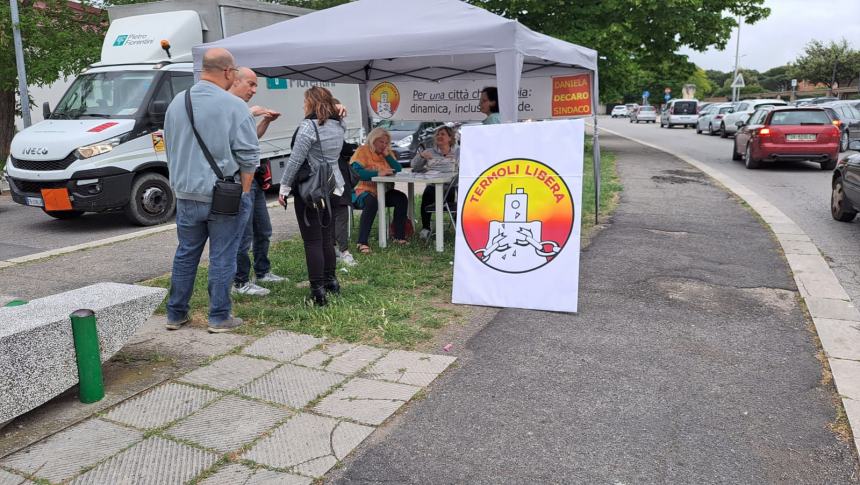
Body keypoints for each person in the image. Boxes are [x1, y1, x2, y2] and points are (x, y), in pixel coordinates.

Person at [163, 48, 259, 333]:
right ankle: (219, 316)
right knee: (223, 255)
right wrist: (242, 193)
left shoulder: (177, 102)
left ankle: (175, 313)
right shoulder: (234, 106)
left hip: (185, 194)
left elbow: (170, 146)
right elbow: (249, 157)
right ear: (229, 72)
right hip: (223, 196)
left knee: (186, 253)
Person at [278, 86, 346, 306]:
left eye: (305, 101)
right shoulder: (339, 125)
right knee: (326, 238)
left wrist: (284, 187)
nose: (302, 105)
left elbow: (295, 160)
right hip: (334, 186)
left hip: (312, 190)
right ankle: (331, 281)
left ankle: (317, 291)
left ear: (311, 103)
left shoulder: (308, 126)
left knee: (313, 241)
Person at [228, 67, 286, 297]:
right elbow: (225, 137)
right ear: (235, 81)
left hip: (253, 177)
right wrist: (251, 112)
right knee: (243, 234)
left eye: (255, 86)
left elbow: (251, 138)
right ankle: (240, 281)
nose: (253, 90)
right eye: (250, 84)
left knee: (263, 229)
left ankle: (262, 271)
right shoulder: (227, 106)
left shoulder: (242, 109)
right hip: (237, 178)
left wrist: (267, 121)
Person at [351, 128, 409, 254]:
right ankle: (362, 242)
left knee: (401, 198)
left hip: (383, 191)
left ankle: (399, 236)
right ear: (373, 140)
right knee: (372, 202)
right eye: (381, 142)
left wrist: (388, 156)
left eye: (386, 142)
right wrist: (378, 173)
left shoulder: (387, 153)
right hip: (362, 190)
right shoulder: (363, 151)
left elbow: (398, 169)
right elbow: (355, 173)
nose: (384, 145)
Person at [411, 125, 458, 240]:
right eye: (437, 134)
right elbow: (414, 167)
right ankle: (426, 228)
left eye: (443, 134)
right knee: (428, 193)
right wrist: (421, 156)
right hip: (433, 186)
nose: (439, 136)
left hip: (450, 188)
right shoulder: (429, 151)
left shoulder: (458, 152)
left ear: (450, 138)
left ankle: (460, 228)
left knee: (457, 195)